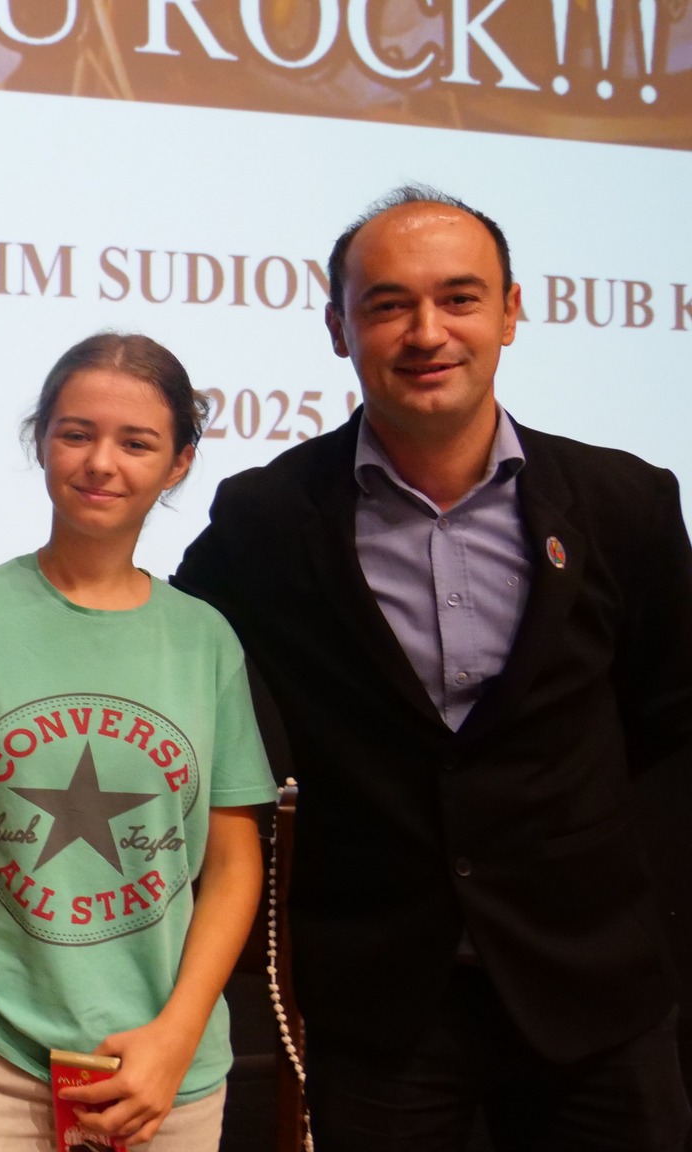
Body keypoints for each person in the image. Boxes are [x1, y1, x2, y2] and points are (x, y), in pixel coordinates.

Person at [174, 185, 692, 1149]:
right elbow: (173, 661)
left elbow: (663, 717)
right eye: (387, 304)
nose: (427, 333)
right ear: (338, 328)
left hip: (594, 987)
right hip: (383, 999)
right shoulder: (267, 519)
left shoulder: (624, 501)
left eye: (460, 298)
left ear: (511, 312)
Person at [0, 333, 275, 1151]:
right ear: (41, 440)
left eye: (136, 442)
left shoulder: (206, 639)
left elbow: (233, 861)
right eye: (76, 433)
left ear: (178, 463)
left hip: (161, 1066)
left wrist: (177, 1036)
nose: (101, 462)